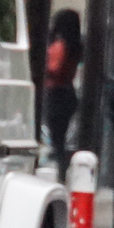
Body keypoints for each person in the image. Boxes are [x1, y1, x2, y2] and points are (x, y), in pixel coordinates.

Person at [42, 9, 83, 156]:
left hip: (56, 92)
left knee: (55, 137)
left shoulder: (59, 46)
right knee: (60, 137)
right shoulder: (75, 46)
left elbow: (53, 69)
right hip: (68, 91)